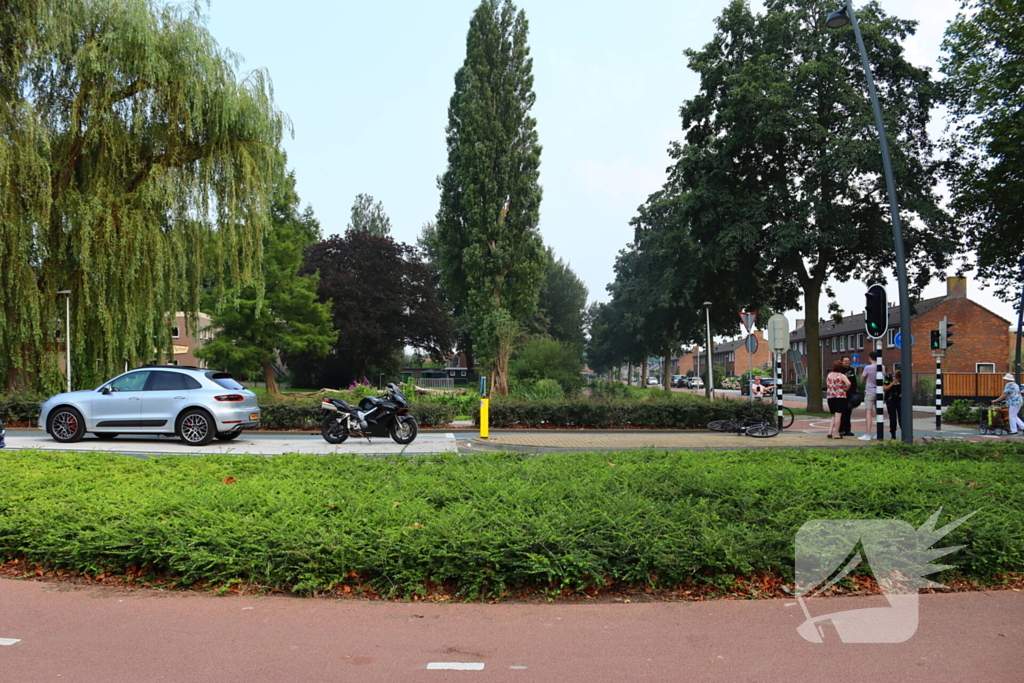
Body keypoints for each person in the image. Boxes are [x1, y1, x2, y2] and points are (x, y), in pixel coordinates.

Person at [859, 351, 884, 441]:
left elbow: (862, 379)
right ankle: (879, 433)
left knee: (869, 413)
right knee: (879, 413)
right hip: (880, 392)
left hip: (870, 391)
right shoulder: (882, 367)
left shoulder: (868, 368)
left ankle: (868, 434)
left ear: (870, 358)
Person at [826, 360, 852, 439]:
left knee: (833, 415)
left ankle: (830, 431)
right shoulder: (841, 375)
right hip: (840, 397)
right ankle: (836, 433)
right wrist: (846, 388)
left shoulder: (829, 375)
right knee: (838, 415)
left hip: (830, 397)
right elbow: (849, 383)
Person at [839, 356, 858, 436]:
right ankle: (841, 430)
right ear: (842, 362)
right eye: (845, 361)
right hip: (842, 393)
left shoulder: (851, 370)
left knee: (849, 412)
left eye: (848, 361)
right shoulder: (840, 370)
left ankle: (848, 430)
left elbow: (854, 381)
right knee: (842, 412)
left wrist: (856, 391)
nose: (847, 362)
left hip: (851, 394)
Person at [883, 369, 902, 440]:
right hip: (890, 399)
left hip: (900, 399)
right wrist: (892, 383)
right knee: (892, 417)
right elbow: (884, 388)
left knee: (901, 416)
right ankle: (893, 434)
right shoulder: (889, 377)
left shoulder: (903, 378)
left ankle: (905, 432)